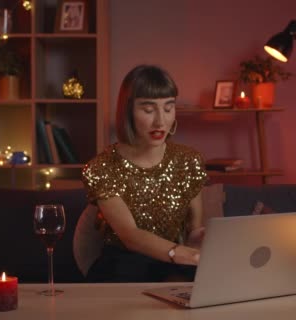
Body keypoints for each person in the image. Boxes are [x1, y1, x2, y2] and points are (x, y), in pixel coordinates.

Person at [81, 65, 208, 282]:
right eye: (148, 110)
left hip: (173, 264)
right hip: (122, 267)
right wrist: (184, 254)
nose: (160, 121)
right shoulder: (101, 167)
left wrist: (206, 243)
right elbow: (130, 236)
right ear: (128, 111)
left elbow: (194, 231)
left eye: (168, 108)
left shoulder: (189, 160)